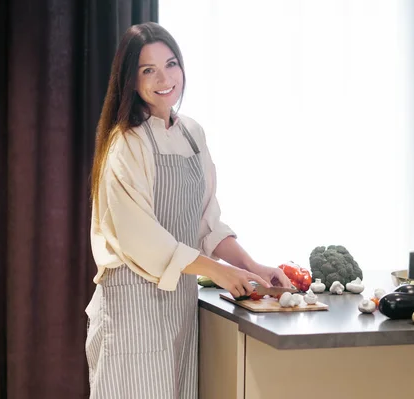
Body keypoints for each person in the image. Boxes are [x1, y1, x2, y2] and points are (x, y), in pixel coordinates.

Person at [85, 22, 292, 399]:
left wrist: (253, 268)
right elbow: (141, 239)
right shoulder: (125, 145)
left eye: (171, 64)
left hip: (178, 301)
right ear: (130, 80)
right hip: (132, 306)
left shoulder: (192, 135)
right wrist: (219, 271)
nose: (164, 78)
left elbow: (206, 222)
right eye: (148, 70)